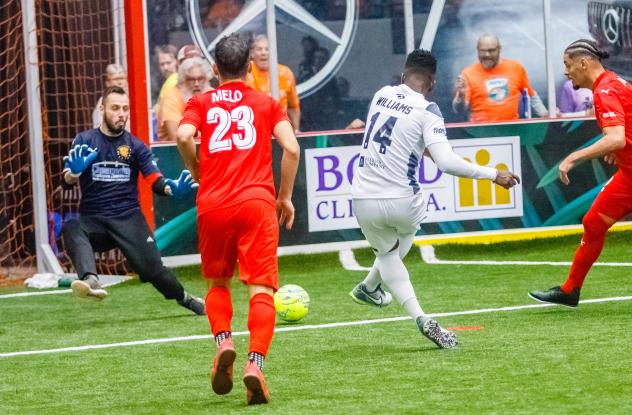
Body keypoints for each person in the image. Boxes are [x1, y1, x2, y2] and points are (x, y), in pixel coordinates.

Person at [350, 49, 520, 348]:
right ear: (433, 82)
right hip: (404, 200)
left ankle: (380, 292)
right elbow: (446, 163)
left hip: (362, 197)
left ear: (403, 75)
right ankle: (373, 287)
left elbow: (401, 138)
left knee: (387, 254)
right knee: (406, 232)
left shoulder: (381, 94)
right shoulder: (428, 110)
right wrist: (494, 174)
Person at [176, 32, 300, 405]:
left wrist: (199, 172)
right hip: (256, 204)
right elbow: (291, 148)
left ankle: (223, 342)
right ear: (249, 68)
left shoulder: (200, 100)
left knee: (217, 283)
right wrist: (285, 197)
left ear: (215, 69)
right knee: (260, 288)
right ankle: (255, 364)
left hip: (213, 204)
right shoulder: (266, 102)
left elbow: (183, 136)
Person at [62, 86, 205, 316]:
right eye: (115, 108)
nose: (121, 113)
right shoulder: (85, 140)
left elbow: (156, 181)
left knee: (153, 272)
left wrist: (171, 188)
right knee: (72, 226)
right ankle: (91, 280)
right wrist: (73, 174)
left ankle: (185, 298)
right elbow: (66, 182)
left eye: (125, 109)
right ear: (102, 109)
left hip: (128, 219)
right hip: (95, 222)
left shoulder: (136, 146)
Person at [529, 39, 632, 307]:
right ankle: (570, 290)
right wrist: (620, 147)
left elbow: (617, 137)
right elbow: (622, 135)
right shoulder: (613, 83)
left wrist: (574, 157)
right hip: (628, 175)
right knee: (593, 223)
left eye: (567, 64)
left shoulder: (605, 91)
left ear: (583, 63)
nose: (565, 71)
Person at [452, 33, 548, 122]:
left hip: (511, 131)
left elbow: (531, 97)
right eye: (483, 51)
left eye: (491, 50)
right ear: (477, 50)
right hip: (480, 133)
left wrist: (546, 115)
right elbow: (459, 110)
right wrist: (460, 97)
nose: (487, 55)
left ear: (499, 49)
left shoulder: (516, 68)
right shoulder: (468, 73)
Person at [247, 34, 301, 132]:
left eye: (267, 49)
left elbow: (293, 107)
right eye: (259, 49)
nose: (264, 53)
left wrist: (296, 130)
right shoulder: (244, 73)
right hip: (253, 132)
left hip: (280, 131)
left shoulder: (285, 73)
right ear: (252, 54)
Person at [157, 57, 213, 141]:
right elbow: (176, 137)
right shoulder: (171, 98)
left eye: (200, 79)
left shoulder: (212, 94)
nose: (196, 84)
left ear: (206, 79)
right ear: (183, 80)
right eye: (191, 79)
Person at [92, 64, 129, 128]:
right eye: (116, 79)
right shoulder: (103, 102)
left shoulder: (134, 98)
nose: (120, 82)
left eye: (122, 78)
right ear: (107, 83)